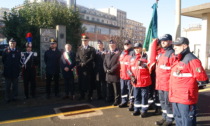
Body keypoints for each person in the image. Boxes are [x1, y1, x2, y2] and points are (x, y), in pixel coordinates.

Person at [169, 37, 209, 126]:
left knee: (187, 122)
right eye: (174, 45)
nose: (174, 47)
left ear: (185, 46)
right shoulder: (178, 58)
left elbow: (203, 79)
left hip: (186, 99)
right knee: (178, 120)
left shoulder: (192, 59)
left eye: (177, 45)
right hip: (176, 96)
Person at [127, 43, 151, 118]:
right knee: (136, 96)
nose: (136, 49)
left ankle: (144, 111)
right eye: (135, 48)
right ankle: (136, 109)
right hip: (135, 81)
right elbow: (128, 69)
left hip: (144, 81)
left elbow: (150, 67)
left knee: (144, 97)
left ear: (141, 48)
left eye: (138, 48)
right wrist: (131, 76)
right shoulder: (132, 58)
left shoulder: (146, 56)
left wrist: (143, 64)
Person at [155, 34, 174, 126]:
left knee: (168, 103)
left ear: (170, 41)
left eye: (165, 40)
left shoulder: (172, 53)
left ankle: (169, 119)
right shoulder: (161, 53)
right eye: (162, 41)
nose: (162, 42)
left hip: (167, 84)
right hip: (160, 83)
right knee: (162, 102)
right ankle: (164, 116)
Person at [76, 34, 96, 102]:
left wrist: (85, 63)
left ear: (88, 41)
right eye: (83, 41)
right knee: (81, 82)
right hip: (81, 69)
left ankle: (89, 96)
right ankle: (82, 95)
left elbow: (92, 57)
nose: (84, 42)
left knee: (89, 83)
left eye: (85, 41)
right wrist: (80, 63)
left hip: (88, 68)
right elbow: (77, 58)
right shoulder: (79, 49)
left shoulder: (92, 49)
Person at [2, 38, 21, 102]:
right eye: (11, 43)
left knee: (15, 86)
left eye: (13, 43)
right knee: (7, 86)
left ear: (15, 44)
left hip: (15, 71)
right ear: (9, 44)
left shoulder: (18, 51)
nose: (12, 44)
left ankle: (14, 97)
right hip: (8, 72)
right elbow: (3, 60)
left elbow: (19, 60)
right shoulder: (5, 51)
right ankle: (7, 98)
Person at [118, 40, 135, 111]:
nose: (126, 45)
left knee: (131, 91)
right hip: (122, 76)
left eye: (128, 44)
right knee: (123, 90)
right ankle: (124, 101)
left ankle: (131, 103)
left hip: (129, 77)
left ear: (130, 45)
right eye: (125, 44)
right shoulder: (122, 52)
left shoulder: (133, 53)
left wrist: (132, 75)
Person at [103, 40, 121, 106]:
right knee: (109, 88)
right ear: (109, 46)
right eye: (110, 45)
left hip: (114, 74)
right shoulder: (107, 53)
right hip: (108, 73)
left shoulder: (118, 53)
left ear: (115, 45)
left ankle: (117, 100)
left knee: (116, 89)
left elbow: (118, 63)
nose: (112, 46)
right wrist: (106, 69)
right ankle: (109, 98)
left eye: (113, 45)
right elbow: (104, 63)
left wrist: (112, 70)